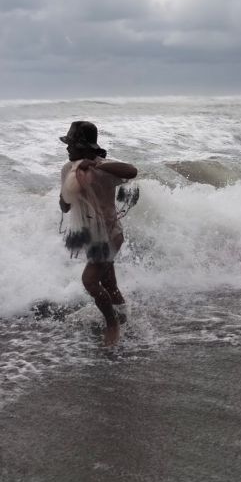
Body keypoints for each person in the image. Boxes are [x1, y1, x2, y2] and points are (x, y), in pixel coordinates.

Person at [58, 121, 137, 346]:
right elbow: (64, 206)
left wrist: (95, 167)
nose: (67, 149)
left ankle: (112, 325)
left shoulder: (105, 169)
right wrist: (68, 193)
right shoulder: (67, 170)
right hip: (90, 236)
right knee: (109, 283)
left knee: (90, 282)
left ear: (84, 146)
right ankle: (123, 316)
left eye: (71, 144)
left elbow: (132, 171)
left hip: (110, 235)